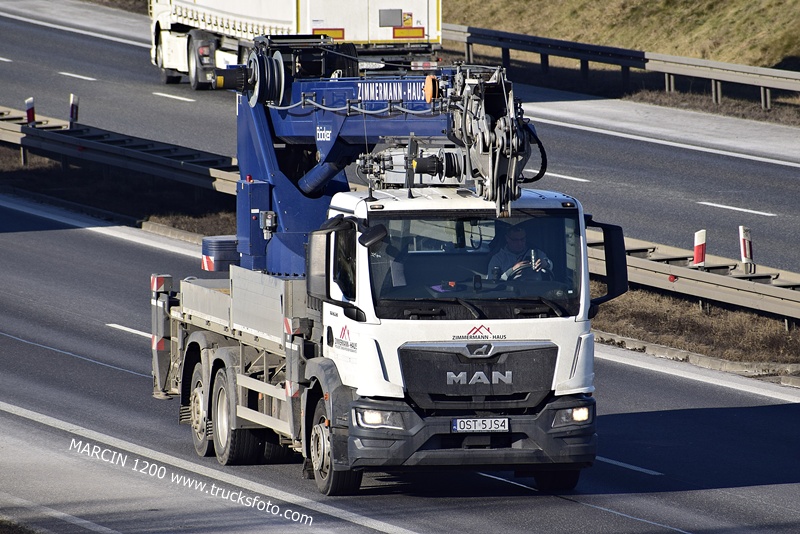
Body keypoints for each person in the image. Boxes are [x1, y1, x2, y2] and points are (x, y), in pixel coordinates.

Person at [487, 225, 552, 280]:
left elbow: (550, 265)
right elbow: (492, 284)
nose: (520, 243)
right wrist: (512, 270)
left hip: (536, 292)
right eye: (515, 240)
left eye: (522, 239)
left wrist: (545, 263)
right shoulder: (498, 259)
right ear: (507, 239)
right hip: (508, 293)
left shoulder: (536, 253)